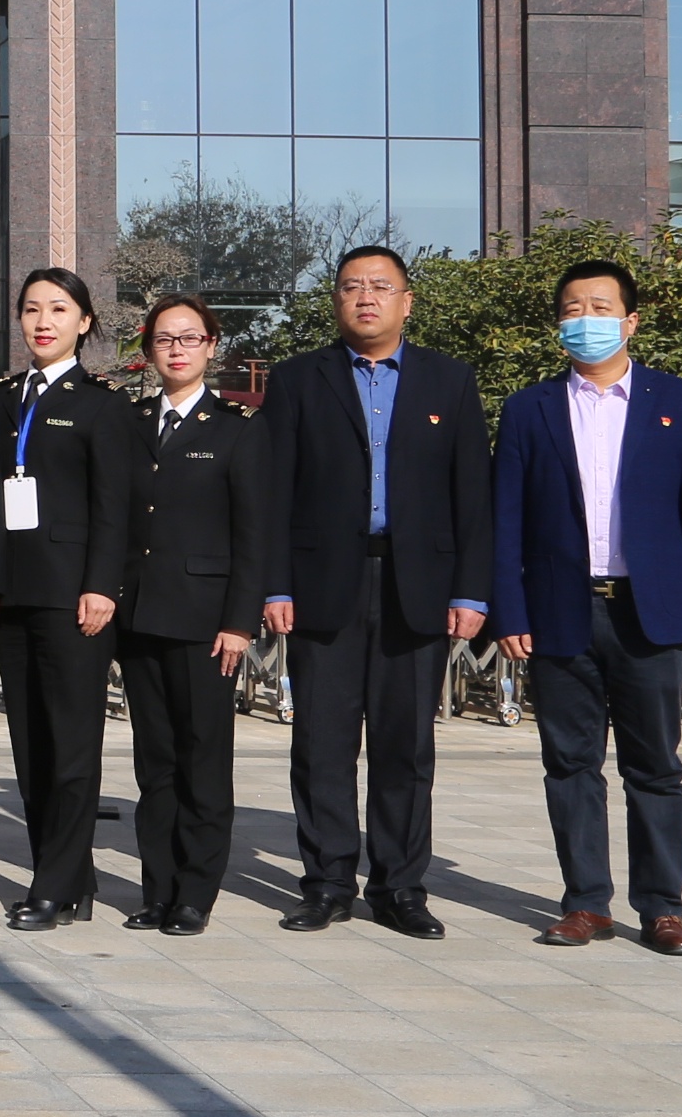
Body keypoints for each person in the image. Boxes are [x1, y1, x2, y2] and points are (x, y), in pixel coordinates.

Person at [490, 258, 682, 958]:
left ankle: (662, 908)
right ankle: (586, 903)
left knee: (655, 767)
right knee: (570, 764)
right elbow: (505, 520)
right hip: (559, 610)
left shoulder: (677, 400)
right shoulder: (529, 408)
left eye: (599, 307)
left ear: (630, 321)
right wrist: (510, 612)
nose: (584, 319)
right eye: (572, 308)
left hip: (648, 612)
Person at [263, 245, 492, 940]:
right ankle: (328, 883)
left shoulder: (449, 381)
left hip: (415, 584)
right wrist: (275, 583)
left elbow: (473, 496)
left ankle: (400, 887)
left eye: (380, 286)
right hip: (322, 583)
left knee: (405, 746)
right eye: (351, 286)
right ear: (335, 299)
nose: (366, 297)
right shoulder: (298, 379)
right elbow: (274, 491)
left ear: (406, 301)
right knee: (321, 743)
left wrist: (471, 592)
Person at [0, 265, 136, 931]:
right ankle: (71, 879)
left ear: (84, 321)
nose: (44, 321)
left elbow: (114, 507)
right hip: (13, 594)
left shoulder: (103, 403)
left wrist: (101, 584)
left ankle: (52, 885)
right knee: (31, 745)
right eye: (33, 309)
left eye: (59, 309)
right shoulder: (0, 397)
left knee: (72, 746)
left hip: (74, 597)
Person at [117, 294, 266, 935]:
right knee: (154, 762)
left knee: (202, 757)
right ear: (149, 349)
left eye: (189, 338)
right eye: (163, 339)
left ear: (211, 345)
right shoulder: (130, 421)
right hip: (139, 613)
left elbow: (254, 534)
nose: (176, 349)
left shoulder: (238, 426)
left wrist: (239, 622)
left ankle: (195, 893)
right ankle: (157, 888)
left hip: (206, 621)